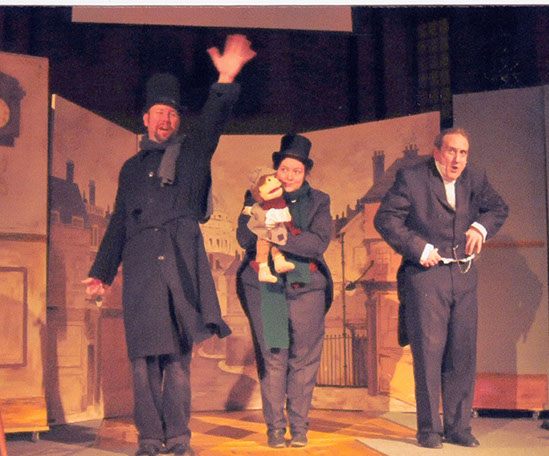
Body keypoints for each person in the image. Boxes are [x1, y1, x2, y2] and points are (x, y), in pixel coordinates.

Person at [83, 35, 256, 456]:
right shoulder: (130, 169)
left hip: (180, 266)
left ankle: (177, 438)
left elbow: (213, 121)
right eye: (159, 112)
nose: (167, 119)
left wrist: (225, 81)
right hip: (142, 270)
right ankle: (148, 438)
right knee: (143, 362)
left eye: (173, 113)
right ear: (145, 118)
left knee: (178, 360)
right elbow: (119, 223)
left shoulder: (192, 155)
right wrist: (101, 272)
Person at [374, 127, 508, 449]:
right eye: (451, 151)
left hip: (463, 275)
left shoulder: (475, 177)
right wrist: (418, 248)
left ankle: (458, 427)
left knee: (462, 353)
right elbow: (385, 219)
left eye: (463, 153)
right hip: (426, 276)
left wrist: (480, 227)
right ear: (437, 152)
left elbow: (498, 208)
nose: (457, 160)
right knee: (428, 354)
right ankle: (429, 430)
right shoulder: (412, 178)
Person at [236, 134, 333, 449]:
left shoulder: (319, 201)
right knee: (275, 357)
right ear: (275, 169)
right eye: (284, 169)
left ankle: (300, 428)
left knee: (303, 360)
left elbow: (316, 243)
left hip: (307, 288)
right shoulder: (256, 195)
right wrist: (281, 233)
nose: (289, 176)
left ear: (305, 173)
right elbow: (244, 238)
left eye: (297, 171)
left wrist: (274, 234)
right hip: (268, 288)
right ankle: (275, 429)